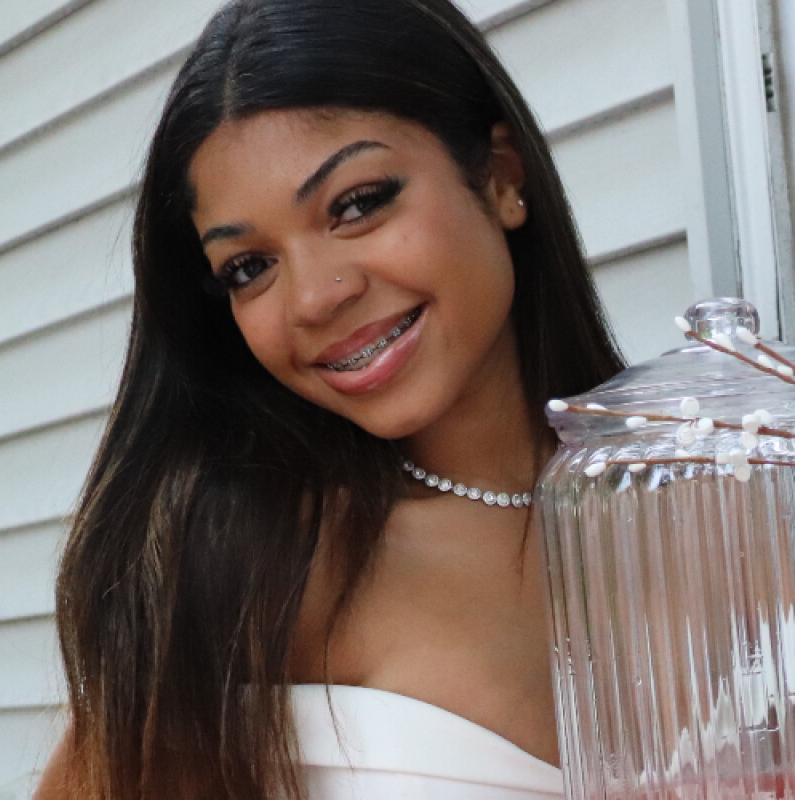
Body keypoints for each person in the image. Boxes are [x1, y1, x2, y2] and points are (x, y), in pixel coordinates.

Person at [35, 0, 624, 797]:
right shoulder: (259, 565)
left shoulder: (707, 498)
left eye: (356, 204)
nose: (315, 298)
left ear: (500, 177)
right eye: (250, 268)